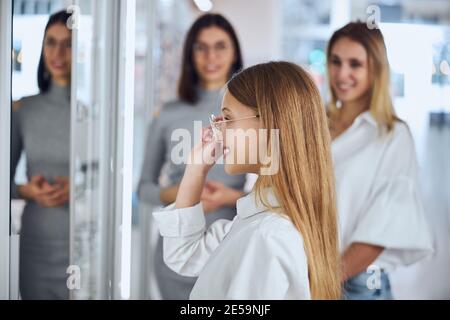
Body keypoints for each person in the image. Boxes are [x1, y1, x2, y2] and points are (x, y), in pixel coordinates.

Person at [152, 61, 342, 299]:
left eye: (228, 119)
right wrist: (196, 170)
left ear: (271, 123)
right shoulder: (258, 222)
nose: (218, 132)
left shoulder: (267, 236)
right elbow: (185, 255)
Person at [138, 14, 247, 299]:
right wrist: (185, 190)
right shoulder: (167, 113)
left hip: (232, 249)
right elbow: (144, 189)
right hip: (175, 254)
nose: (211, 56)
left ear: (234, 52)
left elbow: (275, 191)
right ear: (190, 54)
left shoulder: (250, 112)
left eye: (220, 46)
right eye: (201, 47)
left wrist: (228, 197)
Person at [326, 21, 433, 299]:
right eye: (335, 62)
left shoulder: (392, 135)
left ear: (375, 69)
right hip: (308, 271)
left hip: (356, 281)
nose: (342, 74)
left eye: (355, 64)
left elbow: (380, 231)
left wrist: (323, 281)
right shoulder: (317, 125)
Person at [11, 11, 72, 299]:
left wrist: (78, 189)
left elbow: (109, 185)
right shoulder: (22, 110)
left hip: (78, 242)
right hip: (35, 243)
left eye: (68, 43)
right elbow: (4, 182)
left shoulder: (92, 115)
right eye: (51, 42)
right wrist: (28, 190)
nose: (57, 52)